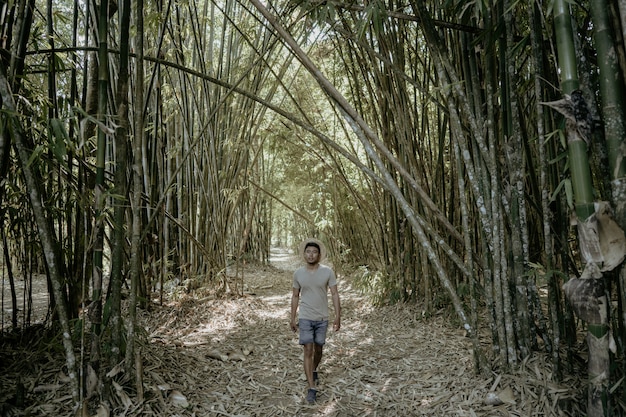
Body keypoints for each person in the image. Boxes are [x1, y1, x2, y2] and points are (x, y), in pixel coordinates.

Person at [290, 238, 341, 405]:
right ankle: (311, 387)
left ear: (319, 255)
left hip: (322, 318)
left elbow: (334, 294)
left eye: (314, 252)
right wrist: (292, 317)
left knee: (319, 349)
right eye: (308, 252)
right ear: (304, 254)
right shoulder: (298, 273)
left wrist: (337, 316)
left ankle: (313, 369)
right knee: (308, 350)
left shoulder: (327, 272)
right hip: (305, 317)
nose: (311, 254)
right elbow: (295, 296)